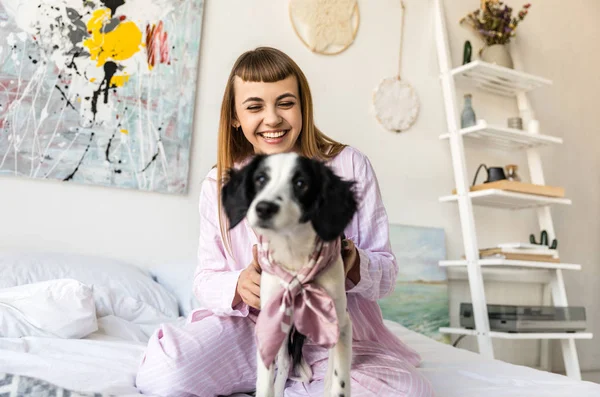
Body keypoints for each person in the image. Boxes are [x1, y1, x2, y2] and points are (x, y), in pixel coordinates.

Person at [135, 47, 434, 397]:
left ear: (303, 107)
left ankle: (297, 382)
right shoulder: (221, 184)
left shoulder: (348, 166)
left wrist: (351, 260)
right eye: (254, 106)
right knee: (164, 373)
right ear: (235, 116)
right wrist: (240, 285)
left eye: (286, 103)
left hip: (330, 334)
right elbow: (205, 278)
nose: (273, 118)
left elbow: (386, 275)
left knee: (406, 391)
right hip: (251, 328)